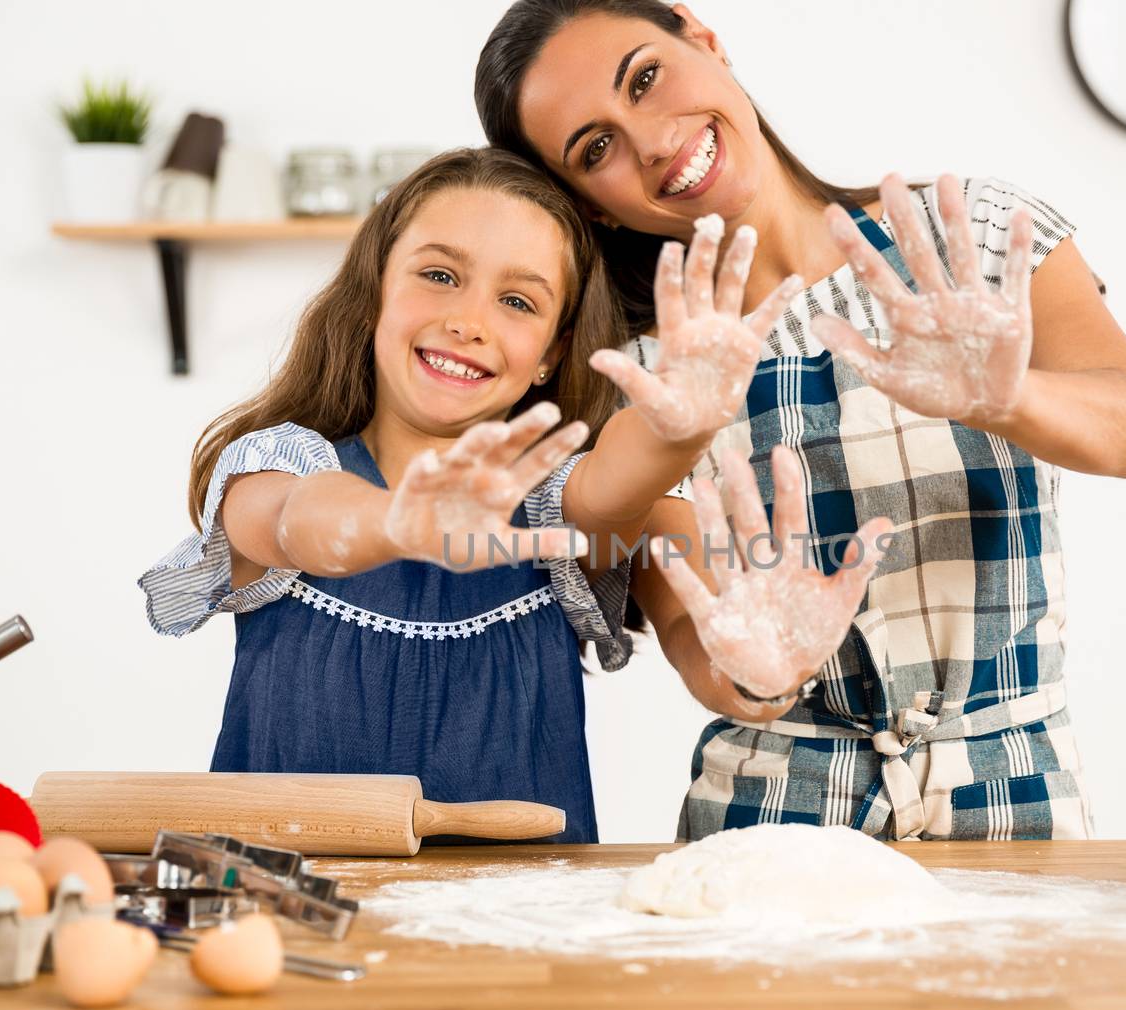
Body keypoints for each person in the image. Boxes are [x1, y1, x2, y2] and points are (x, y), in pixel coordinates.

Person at [476, 0, 1126, 841]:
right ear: (589, 205)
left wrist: (1007, 397)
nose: (654, 143)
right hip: (770, 834)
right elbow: (689, 631)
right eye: (597, 149)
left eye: (647, 78)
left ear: (703, 37)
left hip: (1019, 810)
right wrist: (760, 674)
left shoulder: (967, 240)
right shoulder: (642, 379)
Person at [138, 147, 808, 842]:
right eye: (438, 275)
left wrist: (683, 425)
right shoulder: (281, 465)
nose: (469, 320)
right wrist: (394, 523)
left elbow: (614, 487)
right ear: (374, 294)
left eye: (517, 300)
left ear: (553, 350)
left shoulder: (552, 502)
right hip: (281, 926)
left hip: (520, 938)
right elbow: (290, 522)